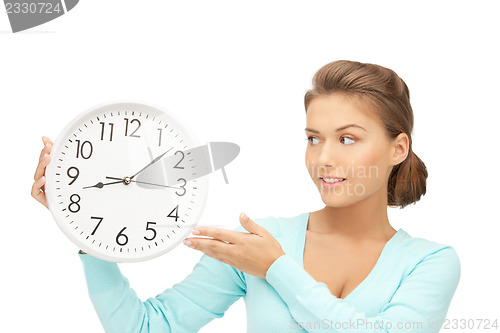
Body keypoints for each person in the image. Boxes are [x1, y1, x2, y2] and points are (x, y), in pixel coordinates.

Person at [31, 60, 461, 333]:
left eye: (347, 139)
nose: (323, 159)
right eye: (313, 139)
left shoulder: (430, 262)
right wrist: (84, 224)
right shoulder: (260, 241)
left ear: (397, 148)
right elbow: (144, 328)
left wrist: (276, 269)